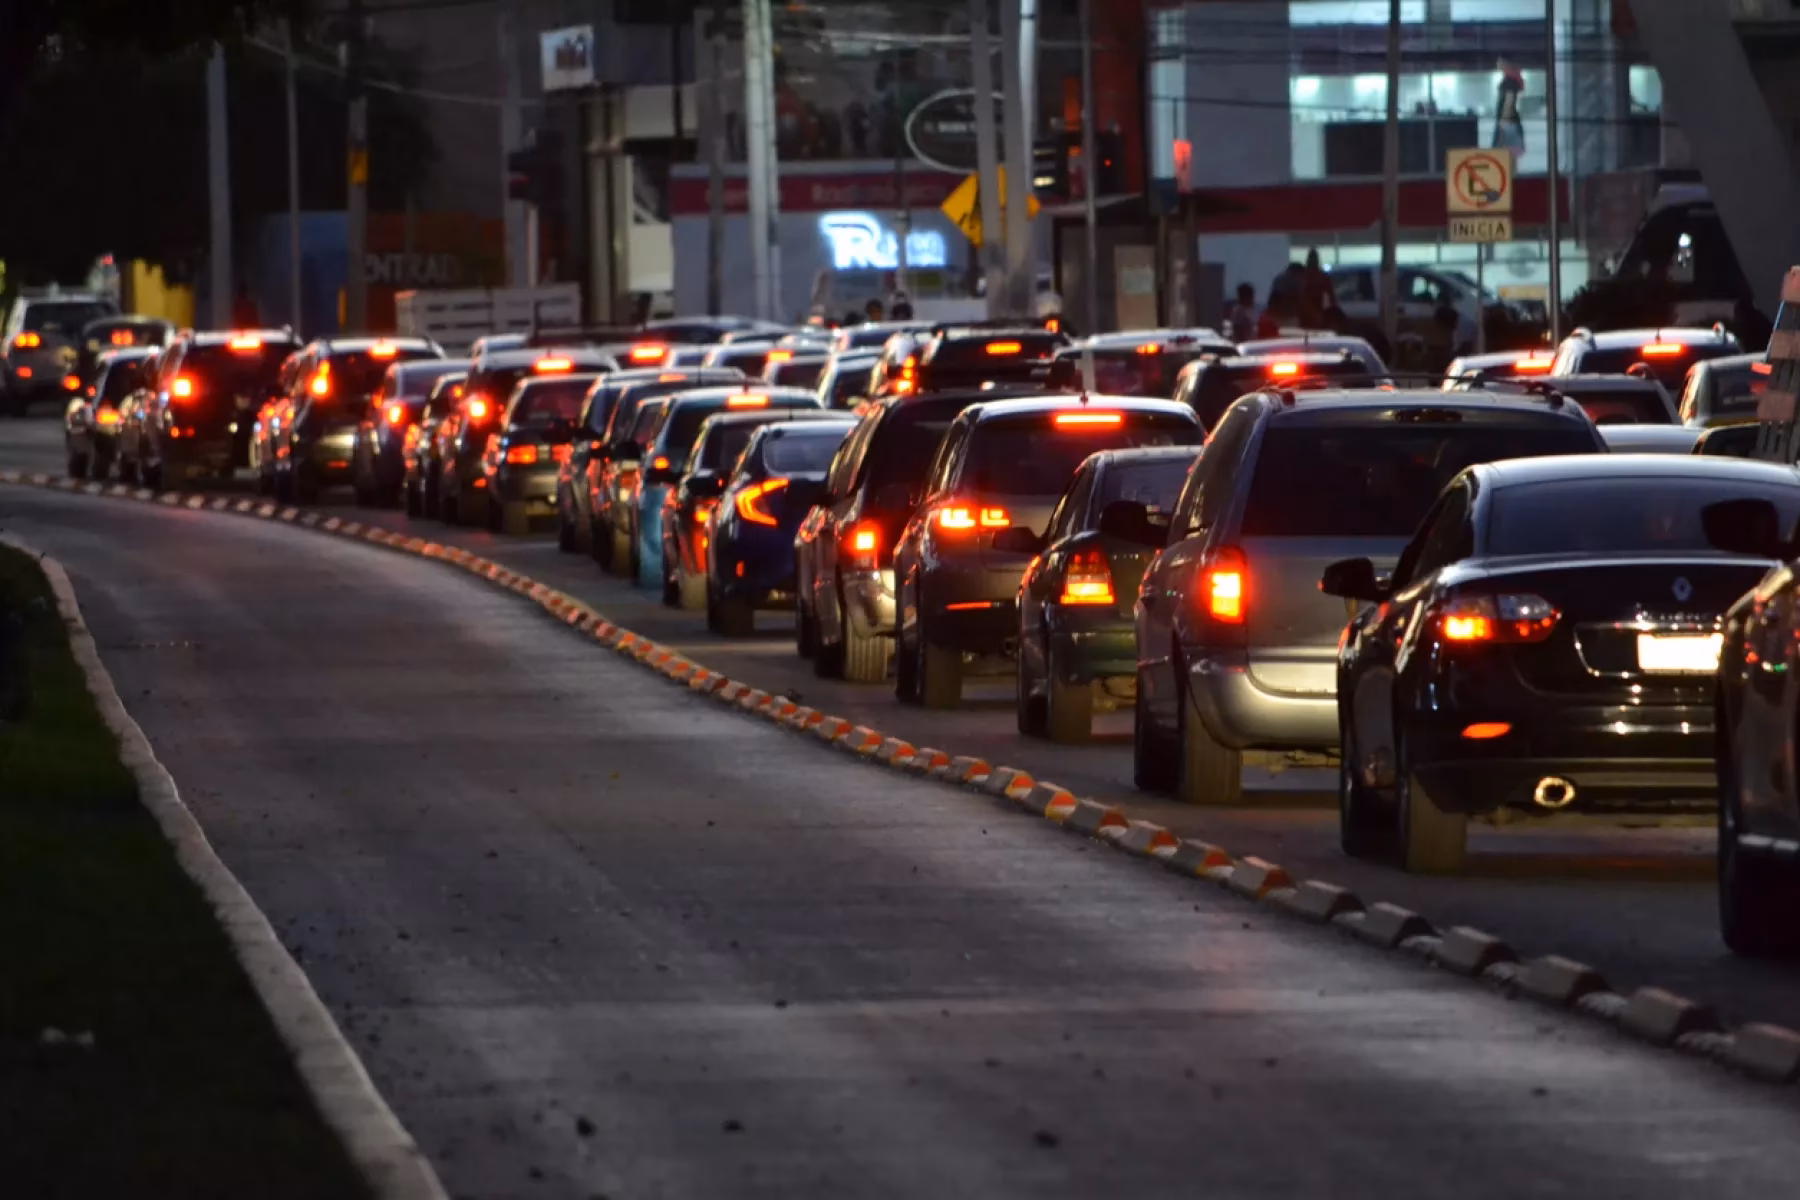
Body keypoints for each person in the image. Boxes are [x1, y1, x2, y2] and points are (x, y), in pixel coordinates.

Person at [1298, 249, 1336, 330]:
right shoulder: (1303, 276)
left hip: (1316, 312)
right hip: (1304, 313)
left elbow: (1332, 297)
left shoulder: (1321, 276)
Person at [1494, 58, 1525, 154]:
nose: (1497, 64)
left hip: (1507, 121)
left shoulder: (1509, 80)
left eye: (1499, 61)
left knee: (1505, 152)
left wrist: (1504, 119)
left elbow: (1509, 100)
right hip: (1511, 120)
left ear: (1506, 63)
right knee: (1511, 152)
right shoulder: (1512, 78)